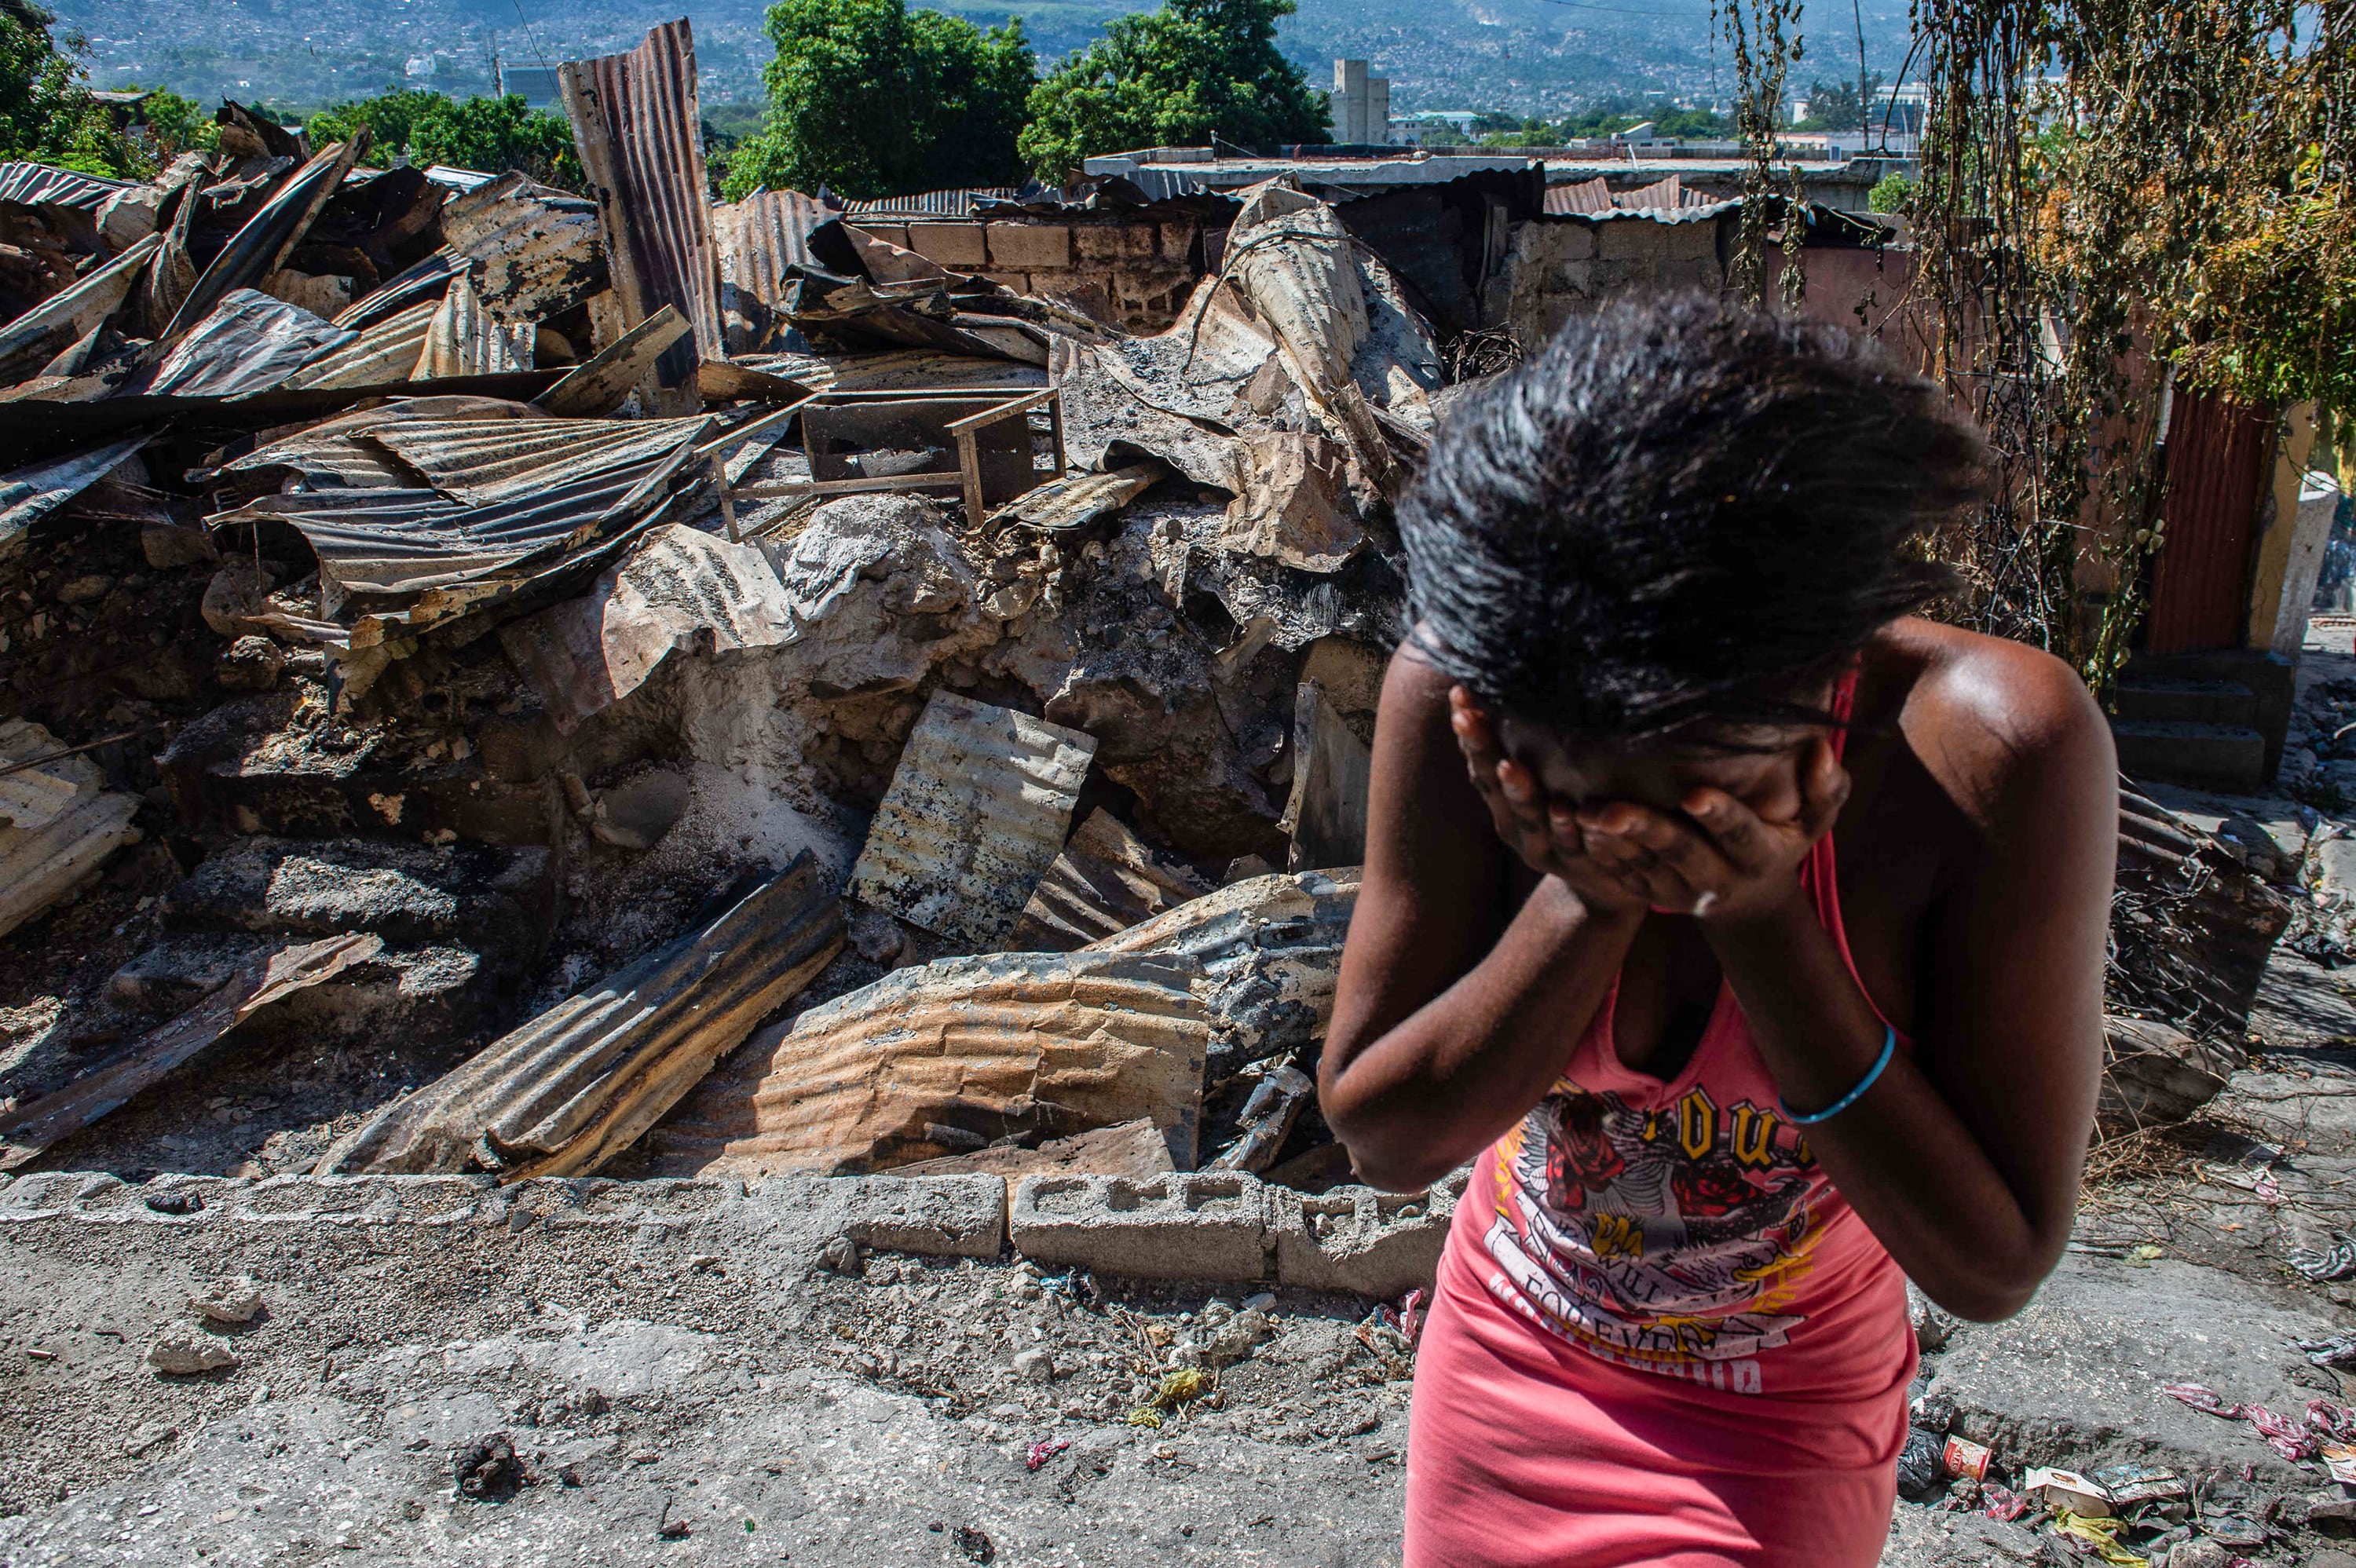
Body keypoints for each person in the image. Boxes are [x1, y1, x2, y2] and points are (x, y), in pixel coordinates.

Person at [1319, 296, 2116, 1567]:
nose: (1630, 828)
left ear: (1818, 682)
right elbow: (1382, 1136)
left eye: (1683, 795)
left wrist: (1756, 909)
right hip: (1508, 1360)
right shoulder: (1475, 679)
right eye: (1579, 795)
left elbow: (1992, 1264)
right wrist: (1591, 891)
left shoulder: (1993, 749)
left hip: (1780, 1422)